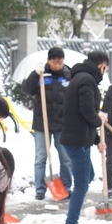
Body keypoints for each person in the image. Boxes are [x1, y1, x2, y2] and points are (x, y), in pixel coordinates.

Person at [60, 50, 110, 224]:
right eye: (105, 69)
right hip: (77, 140)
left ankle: (72, 218)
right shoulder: (86, 80)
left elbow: (83, 114)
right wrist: (100, 121)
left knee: (88, 176)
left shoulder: (81, 78)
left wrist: (96, 139)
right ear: (101, 67)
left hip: (81, 138)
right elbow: (87, 111)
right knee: (82, 185)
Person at [22, 47, 73, 200]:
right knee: (41, 156)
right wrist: (34, 74)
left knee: (65, 157)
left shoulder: (68, 75)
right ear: (48, 60)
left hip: (62, 124)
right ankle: (40, 189)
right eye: (54, 62)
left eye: (60, 62)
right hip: (41, 123)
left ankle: (66, 187)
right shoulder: (41, 74)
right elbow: (26, 89)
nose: (57, 65)